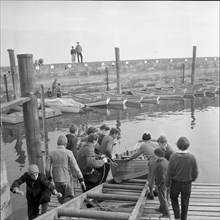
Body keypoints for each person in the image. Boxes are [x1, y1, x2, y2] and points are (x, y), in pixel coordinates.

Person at [165, 136, 199, 220]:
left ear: (177, 146)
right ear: (188, 146)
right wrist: (193, 179)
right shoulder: (192, 157)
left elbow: (168, 172)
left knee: (173, 198)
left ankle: (177, 217)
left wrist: (167, 183)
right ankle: (184, 218)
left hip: (175, 183)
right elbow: (196, 172)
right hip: (187, 184)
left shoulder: (173, 157)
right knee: (185, 202)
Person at [46, 135, 86, 204]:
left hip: (56, 179)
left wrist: (49, 178)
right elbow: (76, 167)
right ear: (66, 144)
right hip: (66, 180)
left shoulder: (51, 153)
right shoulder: (69, 153)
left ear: (57, 143)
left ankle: (62, 209)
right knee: (69, 198)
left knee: (60, 197)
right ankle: (68, 212)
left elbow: (47, 169)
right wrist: (81, 179)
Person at [153, 148, 170, 219]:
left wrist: (157, 184)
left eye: (155, 154)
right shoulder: (165, 160)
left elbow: (161, 177)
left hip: (162, 184)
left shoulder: (161, 164)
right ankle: (161, 208)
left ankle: (166, 213)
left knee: (162, 198)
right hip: (167, 181)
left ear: (158, 155)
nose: (154, 155)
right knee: (161, 197)